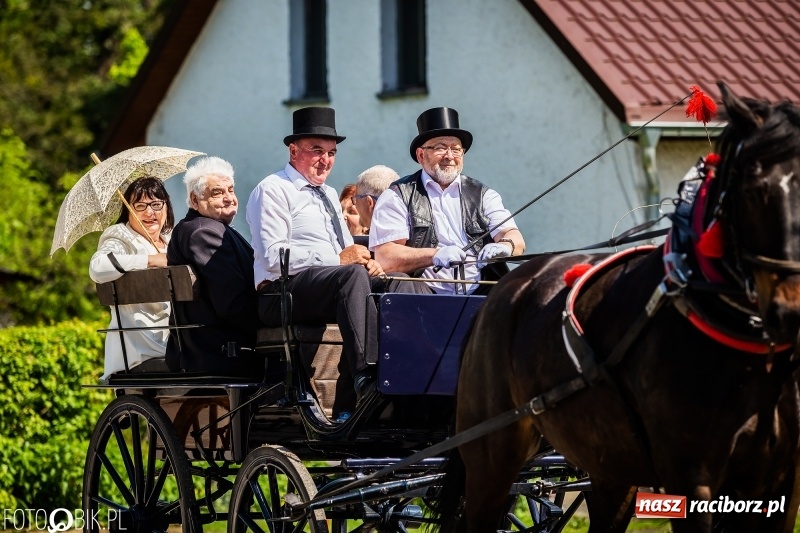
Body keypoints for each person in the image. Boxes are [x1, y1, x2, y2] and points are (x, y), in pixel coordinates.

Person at [246, 107, 412, 418]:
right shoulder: (273, 190)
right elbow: (272, 257)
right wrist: (339, 260)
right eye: (317, 151)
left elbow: (346, 250)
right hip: (281, 293)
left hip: (328, 286)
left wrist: (366, 262)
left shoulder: (328, 194)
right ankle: (368, 376)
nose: (326, 160)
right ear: (294, 150)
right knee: (349, 277)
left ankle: (410, 367)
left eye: (332, 153)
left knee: (398, 279)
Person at [371, 107, 526, 295]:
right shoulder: (398, 195)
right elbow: (386, 257)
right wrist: (435, 255)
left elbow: (514, 237)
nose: (450, 156)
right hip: (424, 292)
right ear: (421, 155)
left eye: (456, 149)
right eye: (440, 148)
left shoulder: (484, 195)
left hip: (481, 291)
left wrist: (504, 246)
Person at [166, 156, 265, 375]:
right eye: (218, 193)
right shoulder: (203, 232)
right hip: (218, 348)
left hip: (221, 341)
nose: (229, 198)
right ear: (194, 199)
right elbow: (232, 304)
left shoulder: (208, 226)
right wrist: (272, 321)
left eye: (231, 190)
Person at [89, 176, 174, 379]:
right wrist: (151, 260)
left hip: (176, 334)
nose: (149, 212)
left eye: (156, 204)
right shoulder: (120, 236)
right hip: (141, 344)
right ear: (129, 210)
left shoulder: (172, 239)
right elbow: (97, 267)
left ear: (166, 206)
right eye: (140, 205)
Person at [353, 165, 399, 233]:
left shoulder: (380, 242)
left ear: (369, 203)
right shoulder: (411, 233)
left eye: (356, 199)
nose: (355, 205)